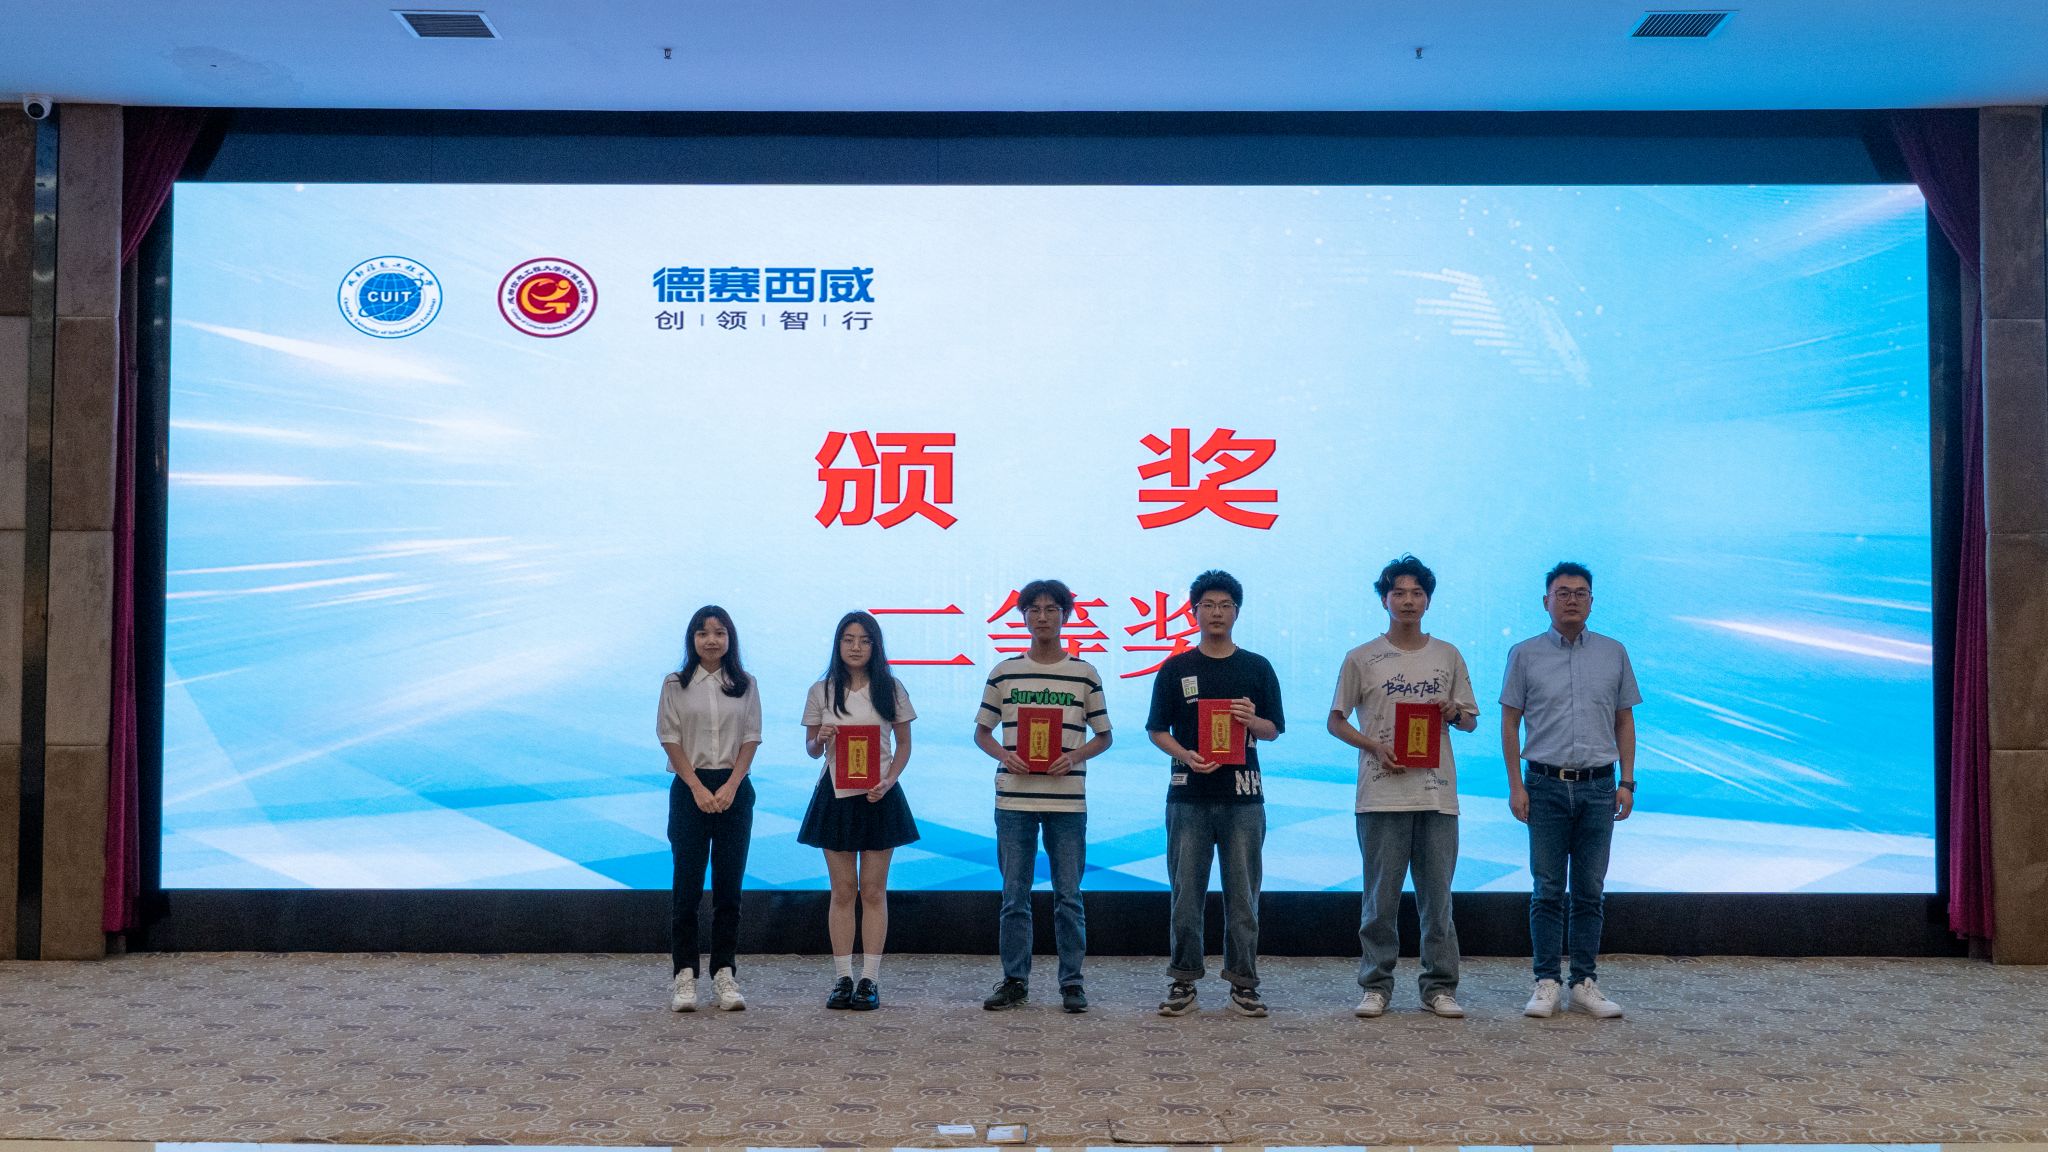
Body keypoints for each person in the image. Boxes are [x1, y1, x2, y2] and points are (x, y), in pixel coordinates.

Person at [1327, 555, 1478, 1020]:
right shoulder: (1361, 657)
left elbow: (1470, 721)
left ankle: (1440, 986)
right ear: (1384, 600)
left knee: (1438, 901)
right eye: (1398, 593)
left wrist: (1453, 711)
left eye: (1416, 593)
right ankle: (1376, 985)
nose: (1408, 600)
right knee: (1379, 901)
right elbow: (1336, 721)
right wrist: (1373, 745)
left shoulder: (1448, 655)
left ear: (1428, 600)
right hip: (1380, 795)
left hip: (1437, 795)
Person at [1500, 561, 1641, 1020]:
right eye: (1562, 593)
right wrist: (1516, 786)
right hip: (1543, 784)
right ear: (1547, 601)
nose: (1571, 600)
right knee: (1546, 889)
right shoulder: (1524, 654)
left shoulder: (1614, 652)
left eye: (1580, 593)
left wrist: (1627, 781)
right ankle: (1546, 981)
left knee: (1589, 891)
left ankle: (1584, 982)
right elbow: (1509, 722)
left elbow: (1624, 720)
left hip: (1600, 786)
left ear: (1592, 602)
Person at [1145, 570, 1284, 1018]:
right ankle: (1183, 979)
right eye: (1208, 605)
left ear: (1237, 612)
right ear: (1194, 612)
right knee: (1185, 896)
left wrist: (1251, 720)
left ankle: (1244, 983)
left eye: (1225, 605)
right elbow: (1156, 730)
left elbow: (1273, 730)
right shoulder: (1176, 668)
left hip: (1243, 797)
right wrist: (1185, 755)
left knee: (1243, 897)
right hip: (1188, 796)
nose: (1217, 613)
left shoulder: (1257, 667)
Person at [974, 579, 1114, 1014]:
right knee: (1014, 897)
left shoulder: (1085, 673)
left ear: (1066, 615)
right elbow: (982, 733)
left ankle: (1072, 982)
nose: (1042, 617)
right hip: (1014, 800)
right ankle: (1015, 980)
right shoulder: (1004, 672)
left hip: (1066, 801)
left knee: (1068, 896)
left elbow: (1104, 736)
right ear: (1023, 617)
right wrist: (1005, 755)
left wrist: (1074, 757)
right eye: (1033, 609)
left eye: (1052, 609)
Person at [798, 610, 920, 1011]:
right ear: (838, 644)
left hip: (879, 796)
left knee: (872, 890)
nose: (856, 647)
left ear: (875, 646)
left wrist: (889, 780)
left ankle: (870, 978)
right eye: (848, 639)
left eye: (865, 640)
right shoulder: (822, 690)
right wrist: (820, 738)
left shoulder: (891, 688)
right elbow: (811, 749)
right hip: (835, 796)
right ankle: (842, 978)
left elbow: (904, 744)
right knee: (843, 891)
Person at [656, 605, 762, 1013]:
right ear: (692, 639)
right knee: (686, 889)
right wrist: (698, 787)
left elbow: (751, 737)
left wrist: (732, 785)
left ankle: (724, 974)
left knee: (728, 889)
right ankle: (685, 975)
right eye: (703, 633)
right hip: (690, 789)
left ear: (730, 638)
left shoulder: (746, 684)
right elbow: (669, 737)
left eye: (719, 632)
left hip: (735, 788)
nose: (711, 640)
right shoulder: (675, 684)